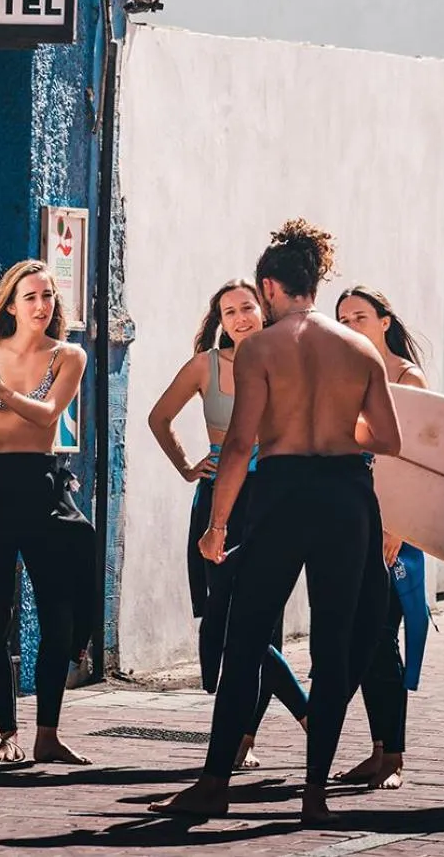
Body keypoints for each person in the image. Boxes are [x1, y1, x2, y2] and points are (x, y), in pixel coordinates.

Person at [154, 220, 401, 827]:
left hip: (281, 492)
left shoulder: (262, 348)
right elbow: (389, 439)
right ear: (314, 283)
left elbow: (239, 445)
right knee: (334, 638)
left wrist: (215, 527)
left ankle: (214, 783)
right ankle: (313, 793)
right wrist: (340, 433)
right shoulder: (360, 348)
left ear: (269, 285)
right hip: (346, 495)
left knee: (247, 636)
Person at [147, 278, 309, 768]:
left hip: (274, 496)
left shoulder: (289, 357)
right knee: (228, 618)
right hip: (220, 500)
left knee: (264, 621)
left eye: (247, 307)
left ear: (265, 309)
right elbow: (160, 418)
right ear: (219, 321)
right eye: (228, 311)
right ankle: (307, 714)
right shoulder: (205, 366)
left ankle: (245, 740)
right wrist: (186, 466)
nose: (239, 318)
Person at [0, 259, 95, 767]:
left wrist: (0, 392)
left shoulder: (69, 355)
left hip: (41, 485)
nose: (42, 306)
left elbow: (48, 414)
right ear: (12, 303)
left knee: (57, 615)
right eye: (31, 297)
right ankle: (6, 731)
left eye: (48, 297)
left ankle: (48, 732)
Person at [335, 286, 430, 791]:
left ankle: (393, 755)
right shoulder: (346, 373)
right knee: (364, 638)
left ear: (385, 321)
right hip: (354, 520)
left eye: (361, 316)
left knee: (380, 637)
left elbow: (415, 460)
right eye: (343, 318)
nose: (351, 325)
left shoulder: (405, 376)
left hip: (394, 527)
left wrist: (398, 527)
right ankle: (378, 750)